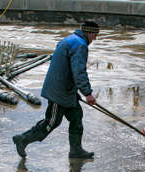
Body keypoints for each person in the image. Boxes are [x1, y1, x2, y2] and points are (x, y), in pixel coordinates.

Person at [12, 21, 99, 159]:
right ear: (88, 32)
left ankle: (76, 150)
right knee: (51, 122)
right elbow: (79, 72)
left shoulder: (70, 40)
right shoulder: (80, 45)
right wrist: (87, 94)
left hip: (66, 90)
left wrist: (75, 92)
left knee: (76, 117)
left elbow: (68, 69)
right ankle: (23, 139)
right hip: (59, 92)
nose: (95, 38)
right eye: (95, 34)